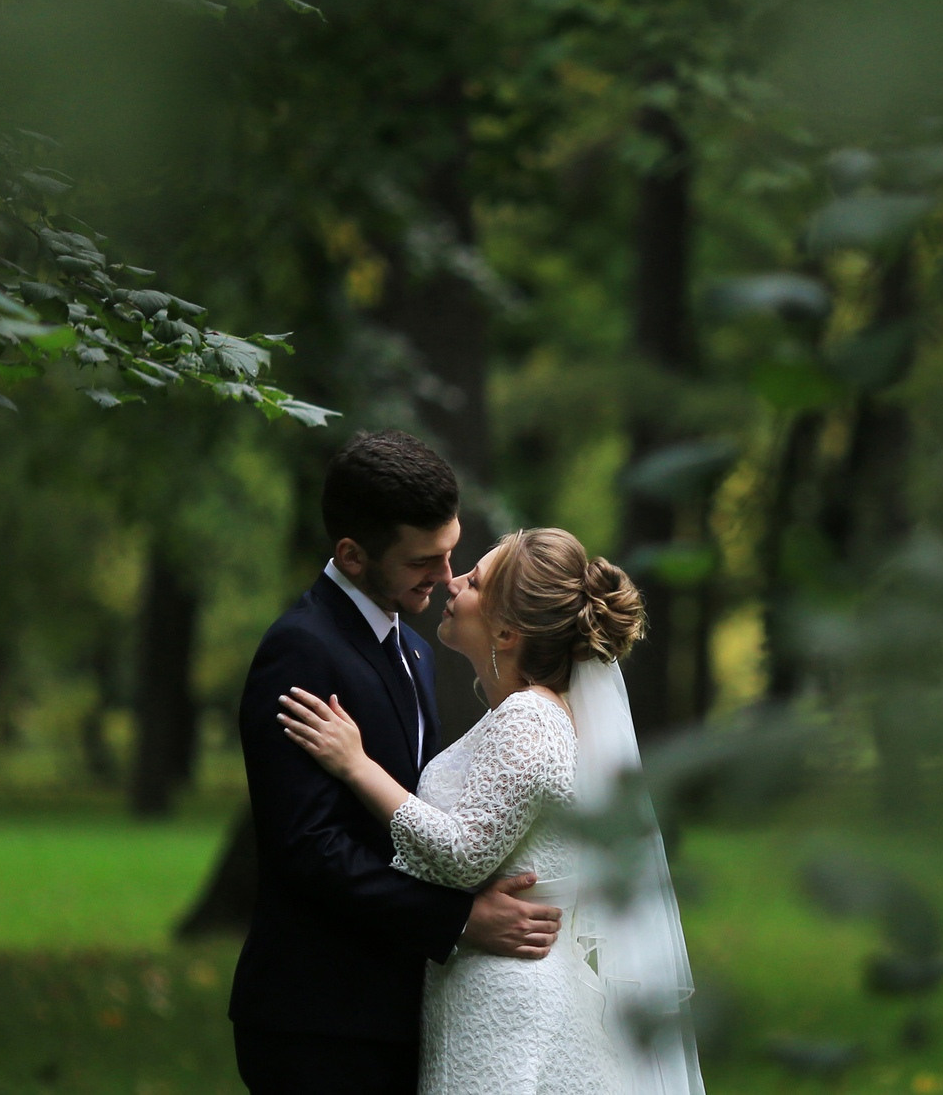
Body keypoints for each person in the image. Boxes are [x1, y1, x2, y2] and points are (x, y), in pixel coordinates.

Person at [278, 525, 705, 1095]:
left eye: (475, 581)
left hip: (503, 998)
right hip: (491, 981)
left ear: (506, 630)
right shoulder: (523, 713)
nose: (452, 583)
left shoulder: (530, 717)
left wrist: (356, 765)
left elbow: (462, 853)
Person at [230, 431, 565, 1095]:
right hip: (319, 1016)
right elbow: (308, 846)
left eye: (450, 552)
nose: (446, 577)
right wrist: (458, 920)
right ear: (352, 555)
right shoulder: (302, 649)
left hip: (397, 1005)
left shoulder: (413, 650)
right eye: (423, 561)